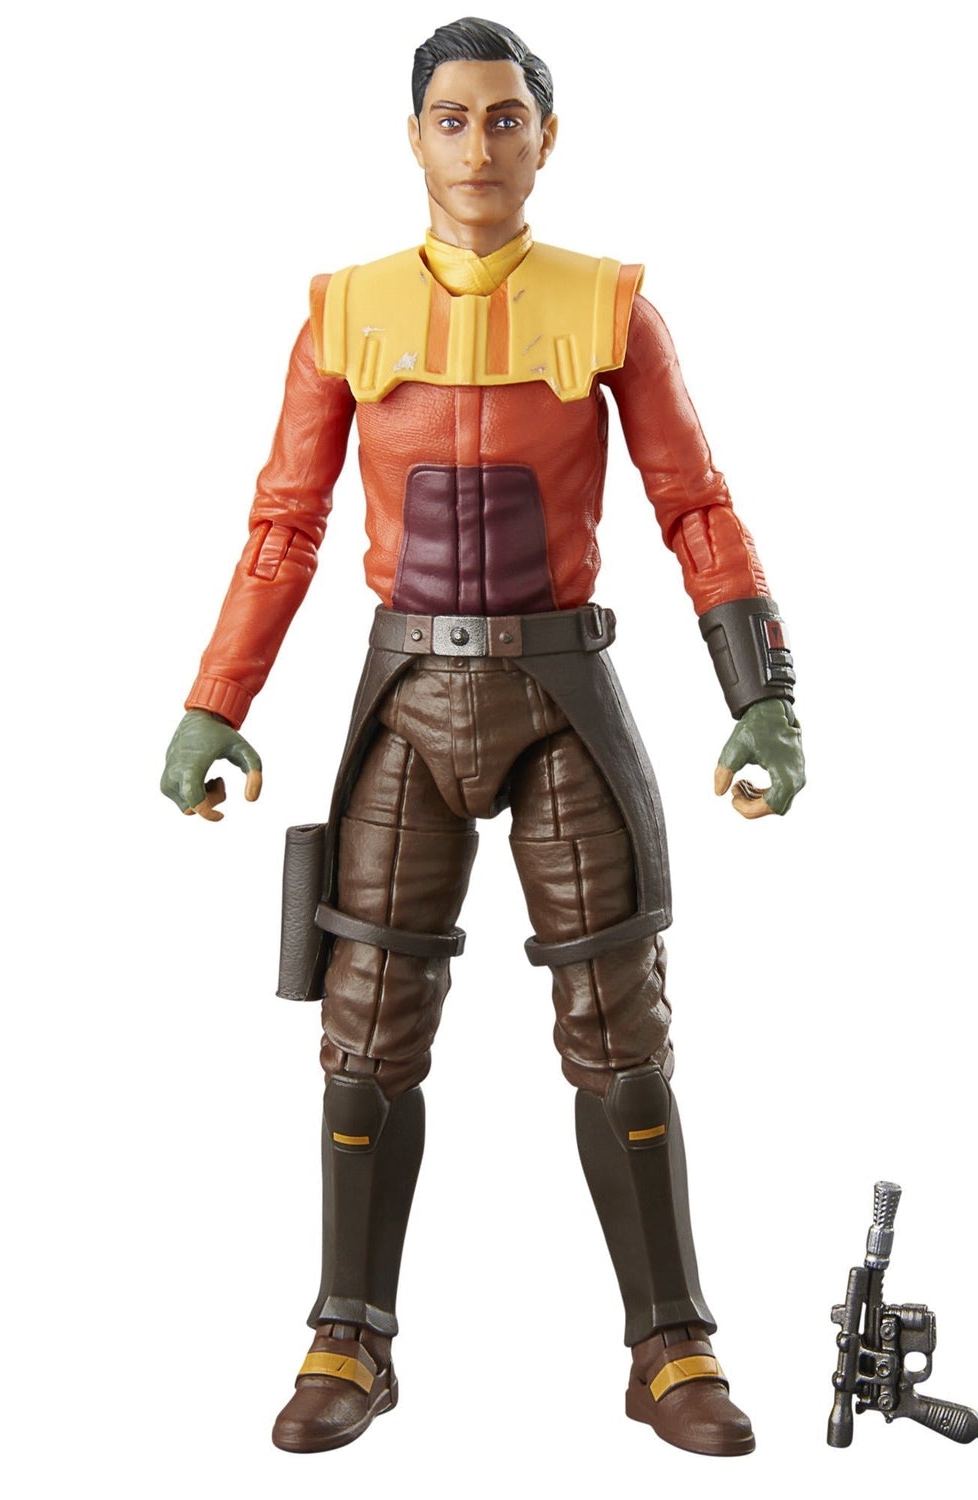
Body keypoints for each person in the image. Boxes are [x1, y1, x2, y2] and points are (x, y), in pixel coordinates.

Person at [160, 16, 804, 1458]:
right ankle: (348, 1334)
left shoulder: (615, 312)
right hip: (406, 698)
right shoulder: (344, 314)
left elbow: (696, 506)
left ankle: (673, 1345)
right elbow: (284, 525)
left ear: (546, 138)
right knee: (364, 1027)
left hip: (562, 694)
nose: (479, 146)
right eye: (452, 119)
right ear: (414, 140)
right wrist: (216, 702)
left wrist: (761, 693)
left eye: (506, 118)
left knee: (620, 1024)